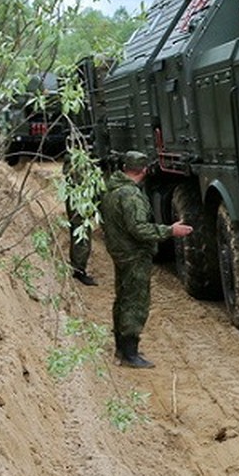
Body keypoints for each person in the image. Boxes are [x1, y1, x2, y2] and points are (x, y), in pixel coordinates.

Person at [99, 151, 193, 369]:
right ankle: (129, 354)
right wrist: (170, 230)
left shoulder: (112, 189)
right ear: (143, 170)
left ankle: (122, 348)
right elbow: (139, 229)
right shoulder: (130, 195)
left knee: (122, 298)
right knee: (135, 302)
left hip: (121, 251)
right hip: (134, 254)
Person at [62, 148, 98, 286]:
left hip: (76, 202)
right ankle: (79, 270)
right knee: (82, 236)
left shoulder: (70, 166)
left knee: (78, 234)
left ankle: (77, 267)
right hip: (80, 203)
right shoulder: (77, 168)